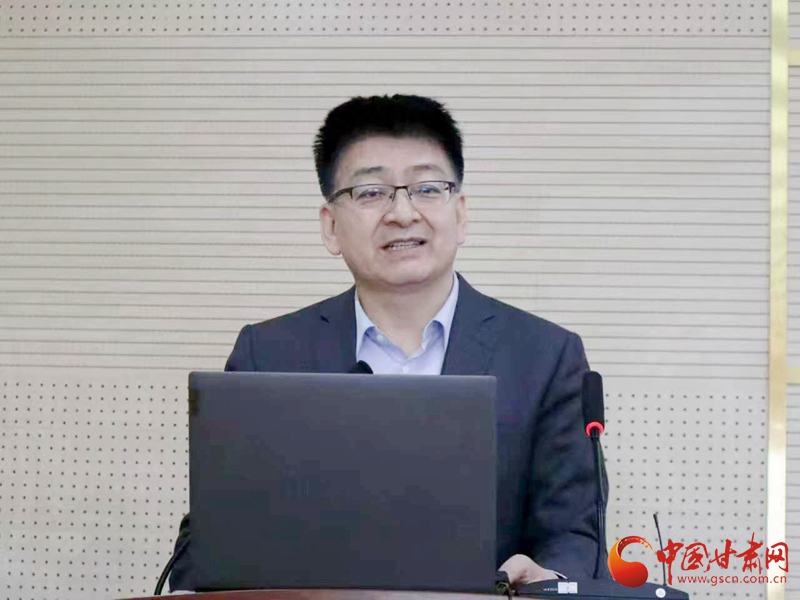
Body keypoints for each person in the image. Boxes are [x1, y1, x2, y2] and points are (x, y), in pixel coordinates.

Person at [168, 94, 606, 592]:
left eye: (427, 188)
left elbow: (574, 531)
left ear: (461, 214)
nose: (402, 212)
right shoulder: (266, 354)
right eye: (371, 192)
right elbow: (214, 535)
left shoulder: (545, 357)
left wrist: (549, 581)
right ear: (331, 227)